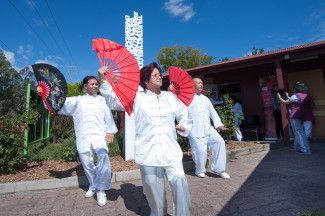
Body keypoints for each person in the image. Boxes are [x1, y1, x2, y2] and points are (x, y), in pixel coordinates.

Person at [99, 62, 192, 216]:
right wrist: (104, 81)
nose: (159, 77)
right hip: (148, 152)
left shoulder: (170, 97)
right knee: (152, 187)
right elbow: (115, 101)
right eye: (154, 75)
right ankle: (158, 212)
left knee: (180, 181)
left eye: (159, 74)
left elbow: (184, 113)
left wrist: (183, 125)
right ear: (146, 80)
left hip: (171, 150)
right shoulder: (137, 98)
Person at [38, 76, 118, 206]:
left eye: (96, 84)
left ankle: (101, 190)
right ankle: (93, 185)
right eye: (92, 84)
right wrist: (44, 94)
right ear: (85, 86)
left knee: (103, 157)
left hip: (99, 136)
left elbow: (108, 116)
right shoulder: (77, 101)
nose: (95, 86)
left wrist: (110, 131)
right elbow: (57, 104)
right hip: (83, 137)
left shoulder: (103, 101)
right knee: (87, 163)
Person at [188, 78, 230, 179]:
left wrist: (219, 125)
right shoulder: (187, 99)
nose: (201, 84)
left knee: (219, 142)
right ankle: (200, 170)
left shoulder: (206, 99)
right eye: (198, 83)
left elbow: (213, 113)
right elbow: (180, 113)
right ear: (192, 85)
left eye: (201, 83)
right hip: (195, 130)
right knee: (200, 152)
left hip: (208, 129)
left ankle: (219, 169)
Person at [277, 82, 312, 154]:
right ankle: (297, 147)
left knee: (299, 133)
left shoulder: (295, 96)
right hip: (303, 116)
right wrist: (288, 96)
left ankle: (305, 150)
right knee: (298, 132)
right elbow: (295, 100)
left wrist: (279, 97)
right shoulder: (307, 96)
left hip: (294, 116)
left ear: (296, 89)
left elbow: (286, 102)